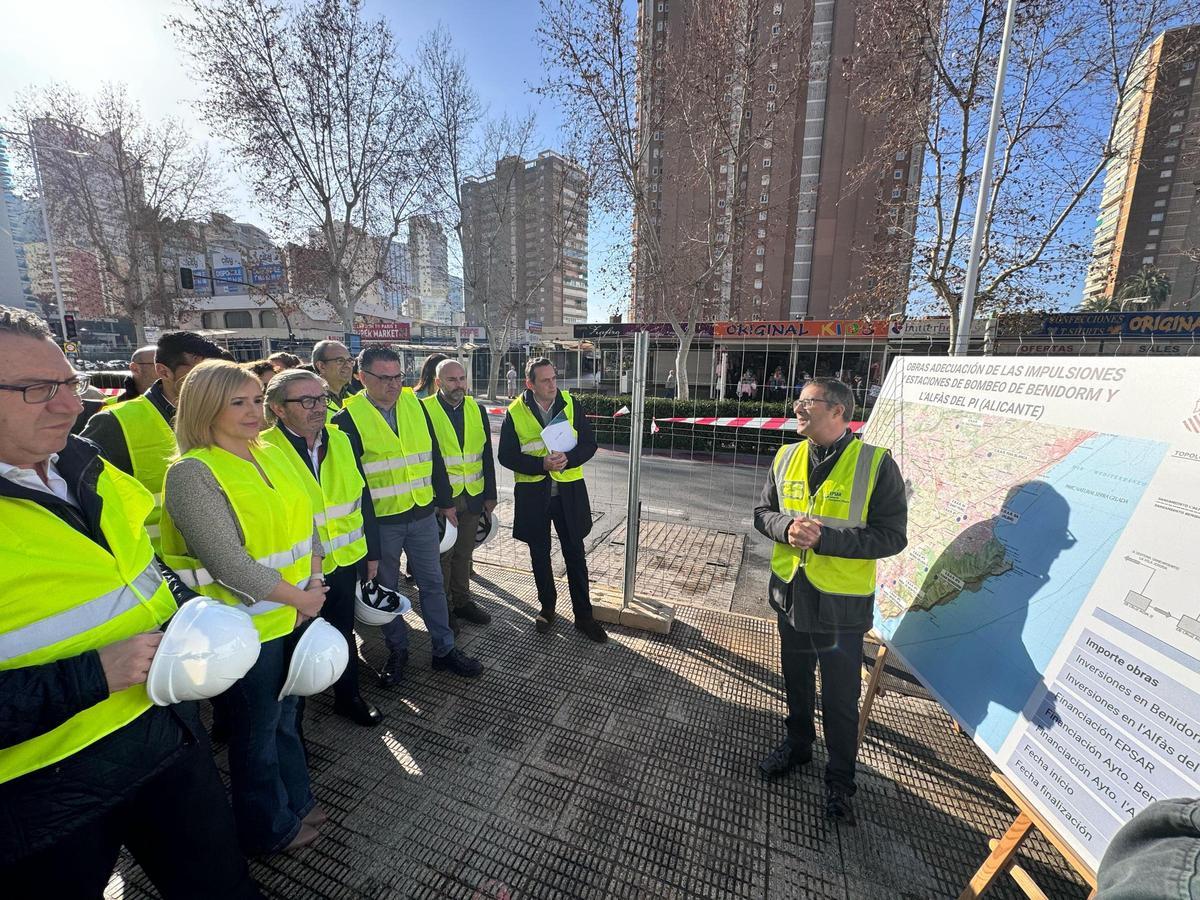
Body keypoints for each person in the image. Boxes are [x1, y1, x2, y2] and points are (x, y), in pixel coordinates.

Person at [0, 307, 261, 898]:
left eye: (70, 383)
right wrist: (95, 674)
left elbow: (143, 567)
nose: (69, 406)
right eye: (37, 389)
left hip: (164, 735)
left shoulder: (87, 467)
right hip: (40, 793)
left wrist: (191, 617)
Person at [159, 360, 329, 855]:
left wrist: (315, 579)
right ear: (205, 408)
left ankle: (296, 800)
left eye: (256, 399)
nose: (254, 412)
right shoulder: (193, 472)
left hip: (293, 613)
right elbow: (227, 562)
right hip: (244, 631)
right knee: (256, 734)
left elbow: (308, 520)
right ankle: (265, 826)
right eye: (238, 403)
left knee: (286, 718)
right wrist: (303, 598)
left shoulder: (268, 451)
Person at [753, 376, 908, 825]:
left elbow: (892, 536)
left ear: (838, 411)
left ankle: (840, 782)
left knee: (840, 699)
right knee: (796, 681)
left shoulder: (876, 464)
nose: (797, 409)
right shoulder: (786, 455)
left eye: (808, 402)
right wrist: (785, 528)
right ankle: (798, 745)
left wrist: (826, 540)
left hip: (841, 606)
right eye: (798, 402)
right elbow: (763, 513)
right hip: (791, 595)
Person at [332, 346, 482, 686]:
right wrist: (367, 539)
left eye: (397, 377)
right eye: (383, 378)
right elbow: (354, 486)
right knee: (386, 590)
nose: (393, 385)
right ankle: (397, 650)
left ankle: (444, 649)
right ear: (362, 377)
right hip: (381, 523)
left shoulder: (415, 406)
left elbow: (434, 457)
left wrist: (445, 503)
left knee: (432, 585)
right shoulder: (346, 419)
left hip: (422, 515)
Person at [262, 369, 381, 726]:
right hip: (293, 569)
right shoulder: (262, 450)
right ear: (279, 409)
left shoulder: (341, 440)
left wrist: (371, 552)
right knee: (294, 643)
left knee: (342, 632)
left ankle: (348, 696)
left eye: (321, 398)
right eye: (306, 400)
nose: (318, 407)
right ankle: (293, 725)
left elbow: (362, 499)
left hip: (343, 560)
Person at [81, 331, 229, 553]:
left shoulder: (231, 415)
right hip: (156, 562)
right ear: (163, 371)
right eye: (199, 373)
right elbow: (90, 504)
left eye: (217, 373)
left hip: (224, 557)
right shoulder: (115, 423)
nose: (211, 382)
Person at [498, 358, 606, 643]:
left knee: (575, 554)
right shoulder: (515, 411)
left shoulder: (570, 404)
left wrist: (569, 458)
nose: (552, 385)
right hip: (534, 494)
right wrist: (540, 465)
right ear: (529, 384)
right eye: (545, 380)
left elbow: (590, 444)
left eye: (554, 378)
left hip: (568, 493)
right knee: (539, 554)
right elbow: (506, 455)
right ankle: (547, 608)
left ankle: (584, 616)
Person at [422, 358, 498, 631]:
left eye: (462, 379)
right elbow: (429, 459)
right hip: (443, 500)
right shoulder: (424, 410)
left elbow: (485, 454)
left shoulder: (477, 409)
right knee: (443, 556)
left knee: (464, 554)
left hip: (474, 495)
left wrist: (490, 494)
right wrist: (443, 502)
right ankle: (444, 610)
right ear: (438, 382)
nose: (459, 385)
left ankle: (462, 602)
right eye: (452, 380)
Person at [312, 339, 357, 418]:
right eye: (340, 360)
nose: (348, 365)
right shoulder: (309, 401)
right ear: (321, 366)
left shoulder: (355, 398)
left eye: (349, 360)